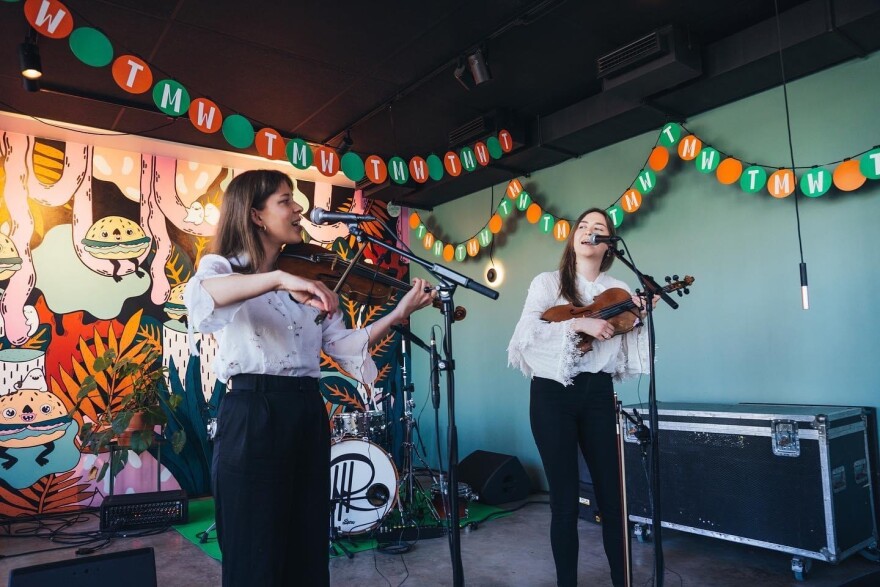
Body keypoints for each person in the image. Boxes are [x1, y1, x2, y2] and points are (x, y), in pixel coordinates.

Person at [184, 169, 434, 587]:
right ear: (256, 215)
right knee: (254, 544)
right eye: (286, 200)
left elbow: (344, 345)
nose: (298, 208)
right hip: (252, 412)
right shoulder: (224, 267)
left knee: (306, 537)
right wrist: (281, 279)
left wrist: (398, 314)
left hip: (304, 409)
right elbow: (203, 298)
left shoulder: (310, 280)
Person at [507, 207, 651, 587]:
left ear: (608, 244)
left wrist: (640, 316)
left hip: (599, 394)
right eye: (583, 226)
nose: (589, 231)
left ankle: (624, 581)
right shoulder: (547, 283)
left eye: (598, 228)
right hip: (552, 394)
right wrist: (579, 322)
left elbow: (627, 340)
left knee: (613, 497)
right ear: (573, 238)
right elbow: (526, 332)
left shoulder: (617, 287)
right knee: (565, 501)